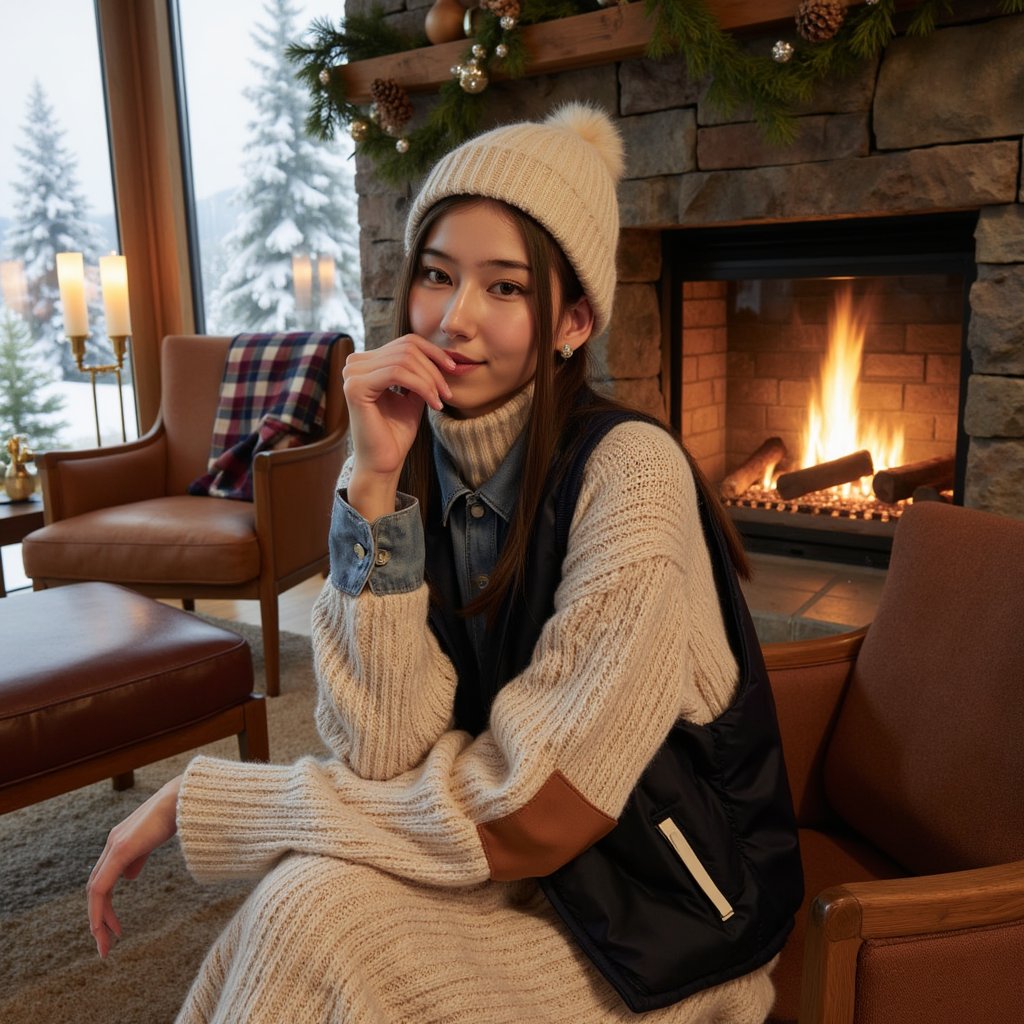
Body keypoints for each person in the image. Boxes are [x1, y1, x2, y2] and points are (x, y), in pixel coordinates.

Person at [87, 103, 801, 1023]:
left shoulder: (632, 476)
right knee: (305, 902)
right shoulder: (414, 453)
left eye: (504, 288)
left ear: (573, 321)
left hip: (663, 919)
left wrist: (227, 801)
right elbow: (382, 753)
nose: (455, 320)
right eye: (436, 275)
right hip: (517, 878)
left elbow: (533, 810)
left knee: (324, 926)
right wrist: (374, 485)